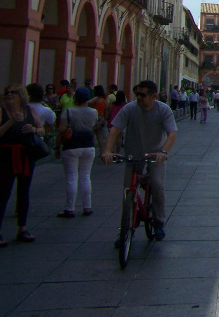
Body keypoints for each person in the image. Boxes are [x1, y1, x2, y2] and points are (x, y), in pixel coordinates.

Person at [102, 80, 177, 242]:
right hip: (133, 155)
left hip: (155, 156)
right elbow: (114, 130)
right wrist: (107, 151)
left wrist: (163, 152)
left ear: (153, 96)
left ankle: (158, 222)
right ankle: (125, 229)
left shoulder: (163, 110)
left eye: (143, 95)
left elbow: (172, 134)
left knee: (157, 185)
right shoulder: (130, 108)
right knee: (127, 190)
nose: (139, 98)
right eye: (137, 94)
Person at [0, 84, 45, 245]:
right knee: (3, 192)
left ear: (21, 95)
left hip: (26, 156)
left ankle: (22, 228)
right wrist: (12, 120)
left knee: (23, 192)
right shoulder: (2, 111)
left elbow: (42, 130)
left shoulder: (29, 110)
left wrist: (33, 129)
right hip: (6, 157)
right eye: (7, 92)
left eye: (13, 92)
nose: (9, 95)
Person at [57, 87, 98, 218]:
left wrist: (56, 146)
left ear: (75, 98)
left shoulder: (68, 111)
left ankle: (70, 208)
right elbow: (94, 126)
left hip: (71, 146)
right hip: (88, 145)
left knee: (71, 177)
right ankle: (87, 207)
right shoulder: (93, 112)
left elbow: (61, 130)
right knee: (86, 176)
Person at [88, 85, 107, 150]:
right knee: (99, 135)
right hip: (101, 117)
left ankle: (90, 148)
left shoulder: (96, 98)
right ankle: (101, 151)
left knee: (92, 134)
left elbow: (89, 102)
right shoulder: (103, 99)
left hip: (95, 117)